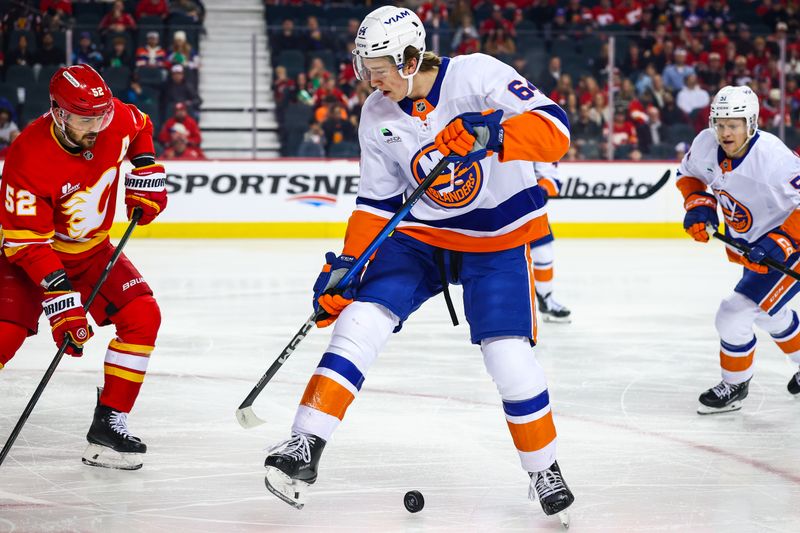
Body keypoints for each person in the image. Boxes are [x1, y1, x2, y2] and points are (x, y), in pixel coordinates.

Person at [262, 5, 574, 526]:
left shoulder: (478, 75)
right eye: (363, 69)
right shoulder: (377, 113)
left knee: (508, 359)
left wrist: (490, 132)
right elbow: (376, 203)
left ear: (410, 59)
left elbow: (556, 130)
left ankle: (544, 469)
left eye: (378, 69)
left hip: (495, 241)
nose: (369, 80)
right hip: (421, 239)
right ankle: (304, 442)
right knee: (360, 320)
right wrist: (347, 264)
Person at [0, 64, 168, 469]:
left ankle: (109, 425)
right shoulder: (27, 155)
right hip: (29, 258)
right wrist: (62, 302)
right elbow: (27, 245)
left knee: (143, 316)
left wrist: (144, 169)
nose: (96, 125)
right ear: (58, 113)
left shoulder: (113, 119)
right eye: (85, 119)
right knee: (5, 334)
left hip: (91, 251)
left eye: (102, 115)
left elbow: (140, 125)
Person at [677, 85, 800, 414]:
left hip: (790, 250)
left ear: (752, 123)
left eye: (734, 124)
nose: (725, 132)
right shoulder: (706, 144)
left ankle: (735, 384)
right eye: (720, 123)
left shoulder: (774, 160)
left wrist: (782, 243)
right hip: (756, 248)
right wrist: (700, 207)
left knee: (734, 314)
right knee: (771, 314)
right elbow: (689, 174)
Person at [531, 162, 572, 323]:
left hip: (526, 208)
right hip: (488, 204)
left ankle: (546, 301)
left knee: (543, 253)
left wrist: (543, 189)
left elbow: (551, 176)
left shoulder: (535, 137)